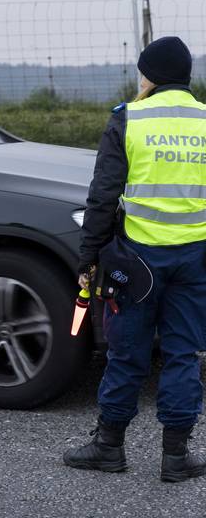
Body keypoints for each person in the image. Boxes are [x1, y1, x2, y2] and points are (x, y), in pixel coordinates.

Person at [63, 36, 206, 482]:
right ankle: (176, 458)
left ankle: (109, 447)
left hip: (137, 261)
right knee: (183, 354)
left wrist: (89, 257)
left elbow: (103, 197)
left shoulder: (129, 118)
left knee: (127, 355)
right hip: (195, 259)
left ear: (151, 75)